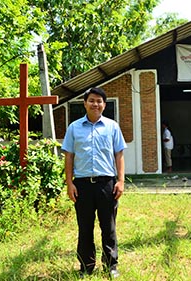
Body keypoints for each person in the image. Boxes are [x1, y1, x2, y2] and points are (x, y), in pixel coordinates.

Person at [62, 87, 127, 279]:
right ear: (85, 103)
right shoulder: (74, 128)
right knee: (85, 227)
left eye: (99, 101)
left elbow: (119, 154)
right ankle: (86, 266)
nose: (95, 104)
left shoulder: (112, 127)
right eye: (91, 100)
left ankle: (111, 265)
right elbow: (69, 156)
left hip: (106, 183)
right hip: (82, 185)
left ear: (104, 105)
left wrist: (121, 181)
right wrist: (69, 183)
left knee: (108, 226)